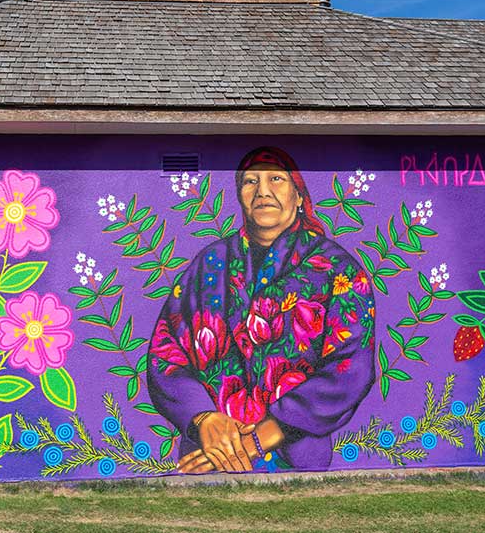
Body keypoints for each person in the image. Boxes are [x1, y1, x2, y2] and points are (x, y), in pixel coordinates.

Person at [147, 146, 376, 473]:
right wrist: (203, 418)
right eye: (250, 181)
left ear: (299, 197)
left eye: (276, 179)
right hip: (209, 458)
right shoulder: (209, 265)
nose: (263, 191)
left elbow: (351, 368)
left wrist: (260, 438)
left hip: (297, 459)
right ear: (240, 196)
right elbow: (165, 354)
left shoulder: (336, 269)